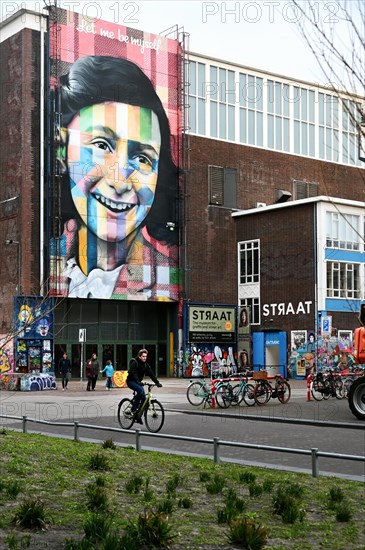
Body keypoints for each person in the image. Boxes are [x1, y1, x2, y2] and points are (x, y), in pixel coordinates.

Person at [50, 55, 179, 301]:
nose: (120, 181)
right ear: (62, 149)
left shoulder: (170, 282)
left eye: (142, 158)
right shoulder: (42, 260)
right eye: (101, 145)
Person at [126, 349, 162, 424]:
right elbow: (132, 373)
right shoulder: (135, 362)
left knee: (144, 399)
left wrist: (157, 382)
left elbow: (151, 374)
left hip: (138, 382)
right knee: (140, 391)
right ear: (139, 356)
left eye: (146, 356)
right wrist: (138, 381)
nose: (144, 358)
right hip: (131, 381)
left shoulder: (145, 365)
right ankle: (133, 409)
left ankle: (138, 416)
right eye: (143, 356)